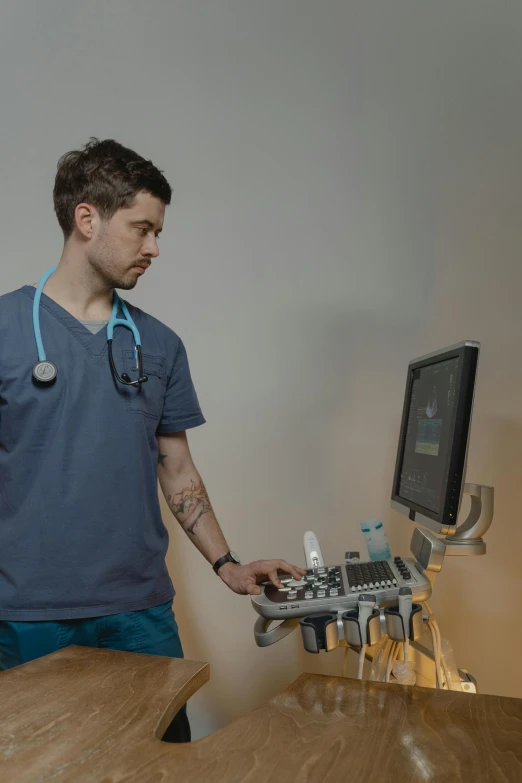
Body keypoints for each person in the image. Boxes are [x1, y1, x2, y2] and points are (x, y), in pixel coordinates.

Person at [0, 138, 304, 741]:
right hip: (25, 615)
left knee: (158, 765)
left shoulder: (158, 345)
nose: (154, 248)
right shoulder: (6, 330)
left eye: (157, 232)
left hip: (138, 611)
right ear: (87, 218)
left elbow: (177, 467)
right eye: (141, 229)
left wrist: (229, 565)